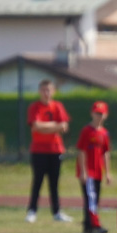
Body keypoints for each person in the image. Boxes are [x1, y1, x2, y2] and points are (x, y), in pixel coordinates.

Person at [25, 79, 74, 224]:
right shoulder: (34, 107)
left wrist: (46, 127)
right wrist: (54, 126)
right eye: (43, 90)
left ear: (53, 91)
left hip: (55, 150)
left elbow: (64, 127)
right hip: (38, 150)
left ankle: (57, 212)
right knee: (37, 181)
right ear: (39, 91)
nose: (46, 93)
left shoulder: (58, 106)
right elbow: (35, 127)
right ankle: (32, 211)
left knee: (54, 183)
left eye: (49, 90)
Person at [76, 101, 111, 233]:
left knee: (95, 198)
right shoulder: (87, 131)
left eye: (101, 114)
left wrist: (108, 172)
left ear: (106, 115)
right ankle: (93, 225)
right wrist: (84, 171)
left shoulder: (104, 133)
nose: (99, 116)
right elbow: (82, 151)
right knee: (91, 198)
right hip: (89, 171)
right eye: (97, 113)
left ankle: (88, 224)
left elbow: (106, 153)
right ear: (92, 113)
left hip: (98, 171)